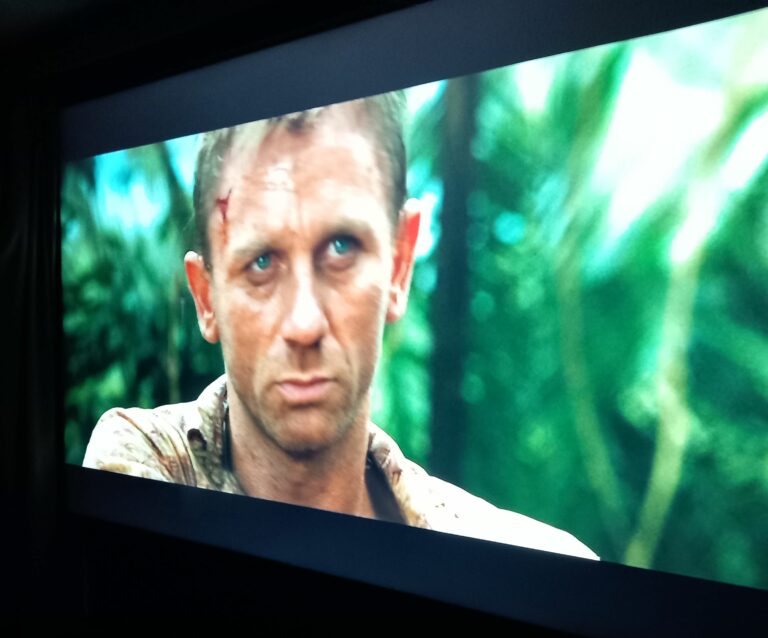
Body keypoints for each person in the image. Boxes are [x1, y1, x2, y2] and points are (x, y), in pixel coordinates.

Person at [84, 93, 597, 560]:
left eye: (340, 248)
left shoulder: (534, 563)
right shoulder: (144, 465)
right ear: (205, 297)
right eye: (262, 263)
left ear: (399, 264)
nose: (304, 324)